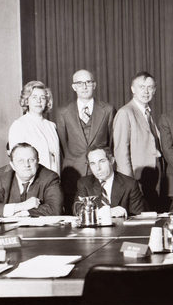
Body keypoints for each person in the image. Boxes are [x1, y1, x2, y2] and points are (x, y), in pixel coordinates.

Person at [55, 69, 115, 211]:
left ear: (94, 85)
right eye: (79, 83)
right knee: (74, 213)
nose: (84, 86)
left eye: (88, 82)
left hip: (100, 173)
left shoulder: (108, 110)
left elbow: (111, 142)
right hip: (74, 173)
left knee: (103, 212)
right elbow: (63, 145)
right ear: (73, 87)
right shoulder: (63, 112)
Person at [113, 71, 165, 210]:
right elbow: (121, 152)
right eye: (141, 87)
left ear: (154, 90)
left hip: (154, 176)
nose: (146, 91)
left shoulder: (148, 112)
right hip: (137, 179)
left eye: (150, 87)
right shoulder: (125, 112)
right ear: (133, 89)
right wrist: (129, 184)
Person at [0, 143, 63, 217]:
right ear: (12, 165)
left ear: (37, 162)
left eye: (31, 160)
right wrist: (22, 206)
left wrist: (24, 213)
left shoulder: (49, 177)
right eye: (20, 161)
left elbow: (55, 209)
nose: (26, 165)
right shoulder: (1, 178)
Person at [75, 146, 147, 216]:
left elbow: (138, 215)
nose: (97, 168)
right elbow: (77, 210)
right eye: (92, 163)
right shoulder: (84, 183)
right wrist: (105, 212)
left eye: (102, 161)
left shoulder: (129, 184)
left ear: (111, 161)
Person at [8, 81, 61, 174]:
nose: (38, 101)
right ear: (26, 101)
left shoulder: (51, 126)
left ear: (47, 101)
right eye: (34, 97)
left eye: (42, 97)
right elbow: (18, 160)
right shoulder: (19, 125)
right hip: (34, 178)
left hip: (55, 177)